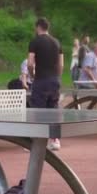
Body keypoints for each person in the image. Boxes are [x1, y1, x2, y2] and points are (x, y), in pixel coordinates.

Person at [28, 18, 64, 151]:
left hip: (40, 79)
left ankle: (37, 141)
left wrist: (32, 75)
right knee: (53, 108)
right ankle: (55, 140)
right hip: (54, 79)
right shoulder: (56, 42)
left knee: (38, 110)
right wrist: (57, 76)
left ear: (38, 27)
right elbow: (61, 64)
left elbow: (30, 63)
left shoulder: (35, 41)